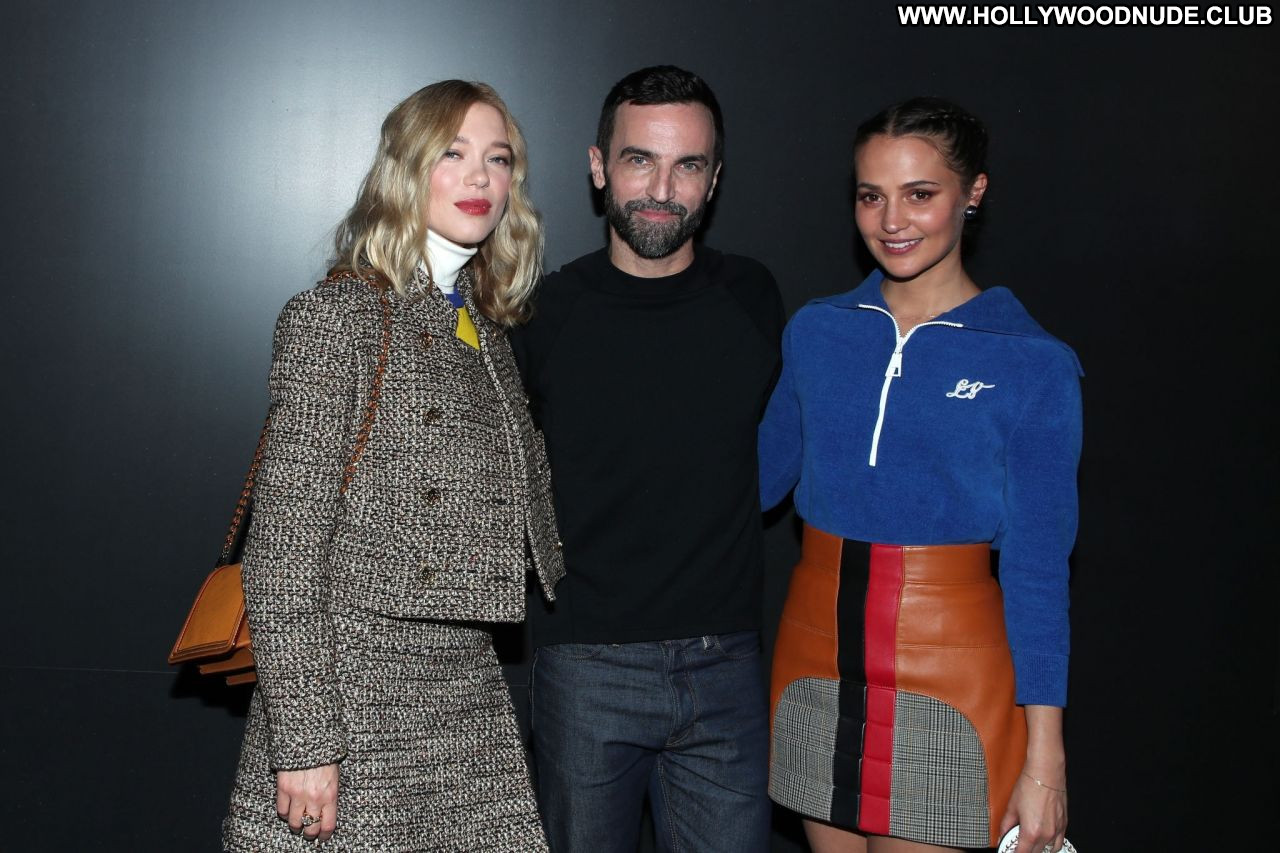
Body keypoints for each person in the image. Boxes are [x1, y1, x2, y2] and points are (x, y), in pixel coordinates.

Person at [222, 80, 564, 851]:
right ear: (405, 169)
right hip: (352, 685)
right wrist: (306, 742)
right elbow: (282, 554)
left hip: (463, 682)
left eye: (499, 159)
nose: (480, 177)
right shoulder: (336, 318)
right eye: (453, 153)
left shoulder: (484, 329)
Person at [759, 97, 1080, 853]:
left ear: (973, 193)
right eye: (871, 196)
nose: (892, 220)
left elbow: (1038, 569)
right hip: (814, 657)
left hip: (953, 675)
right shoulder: (817, 331)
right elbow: (744, 486)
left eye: (920, 194)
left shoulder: (1033, 362)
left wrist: (1046, 757)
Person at [510, 65, 783, 852]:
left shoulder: (753, 298)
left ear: (714, 179)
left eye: (687, 165)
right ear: (599, 167)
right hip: (586, 665)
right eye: (640, 160)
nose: (662, 189)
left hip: (726, 665)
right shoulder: (543, 314)